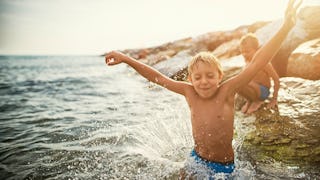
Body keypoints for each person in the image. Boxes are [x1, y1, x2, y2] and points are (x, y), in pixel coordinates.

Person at [105, 0, 301, 177]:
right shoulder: (189, 92)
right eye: (197, 77)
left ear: (220, 76)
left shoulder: (227, 91)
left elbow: (258, 61)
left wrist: (285, 27)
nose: (204, 81)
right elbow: (156, 77)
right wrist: (126, 59)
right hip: (196, 159)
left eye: (210, 76)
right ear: (190, 79)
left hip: (223, 167)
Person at [237, 33, 280, 114]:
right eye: (242, 52)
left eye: (247, 51)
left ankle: (258, 101)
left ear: (258, 50)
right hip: (253, 90)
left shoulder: (263, 63)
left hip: (263, 92)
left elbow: (276, 79)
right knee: (237, 84)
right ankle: (249, 101)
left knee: (243, 82)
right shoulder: (246, 63)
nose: (244, 54)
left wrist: (274, 99)